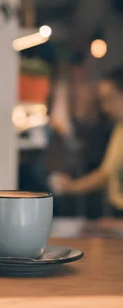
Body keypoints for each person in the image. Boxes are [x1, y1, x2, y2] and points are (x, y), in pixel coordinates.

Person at [50, 66, 123, 215]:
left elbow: (104, 176)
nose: (105, 108)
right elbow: (106, 172)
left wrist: (70, 187)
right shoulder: (119, 129)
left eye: (109, 99)